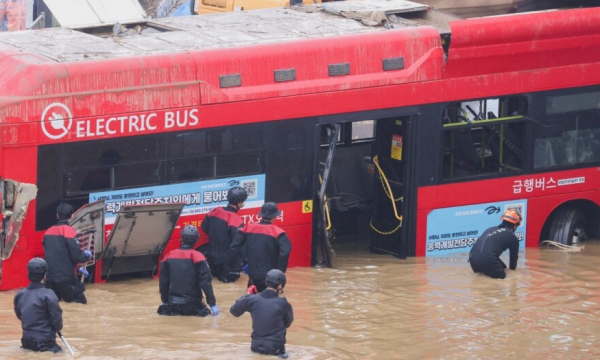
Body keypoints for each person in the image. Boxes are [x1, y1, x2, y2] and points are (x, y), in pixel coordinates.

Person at [230, 269, 293, 359]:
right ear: (280, 286)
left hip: (256, 346)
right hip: (276, 348)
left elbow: (234, 311)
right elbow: (288, 323)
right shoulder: (283, 303)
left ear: (266, 283)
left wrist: (247, 296)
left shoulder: (251, 299)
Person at [158, 225, 219, 317]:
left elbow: (163, 282)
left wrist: (165, 301)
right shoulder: (199, 257)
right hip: (193, 306)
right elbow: (206, 283)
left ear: (181, 238)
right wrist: (212, 304)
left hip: (173, 306)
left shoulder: (169, 256)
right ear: (196, 240)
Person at [231, 202, 292, 293]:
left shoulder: (247, 228)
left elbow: (234, 247)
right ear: (275, 216)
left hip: (252, 274)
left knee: (251, 300)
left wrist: (242, 264)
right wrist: (280, 271)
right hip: (271, 278)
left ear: (261, 215)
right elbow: (285, 252)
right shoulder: (278, 232)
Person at [43, 203, 92, 304]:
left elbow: (53, 254)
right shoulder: (70, 231)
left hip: (50, 279)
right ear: (72, 216)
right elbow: (77, 256)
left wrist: (77, 267)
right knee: (82, 305)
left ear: (57, 215)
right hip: (67, 279)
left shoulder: (47, 232)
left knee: (55, 307)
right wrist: (86, 256)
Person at [14, 258, 63, 353]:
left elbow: (20, 315)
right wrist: (56, 328)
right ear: (44, 275)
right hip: (45, 341)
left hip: (26, 341)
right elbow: (56, 319)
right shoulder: (49, 294)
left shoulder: (20, 294)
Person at [200, 186, 247, 283]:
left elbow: (204, 227)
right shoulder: (235, 219)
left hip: (212, 258)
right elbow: (238, 243)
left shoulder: (216, 211)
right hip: (227, 262)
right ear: (239, 203)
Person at [469, 209, 522, 279]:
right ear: (515, 226)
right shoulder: (512, 237)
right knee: (504, 279)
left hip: (473, 259)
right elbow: (513, 263)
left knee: (503, 268)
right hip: (488, 259)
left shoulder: (489, 229)